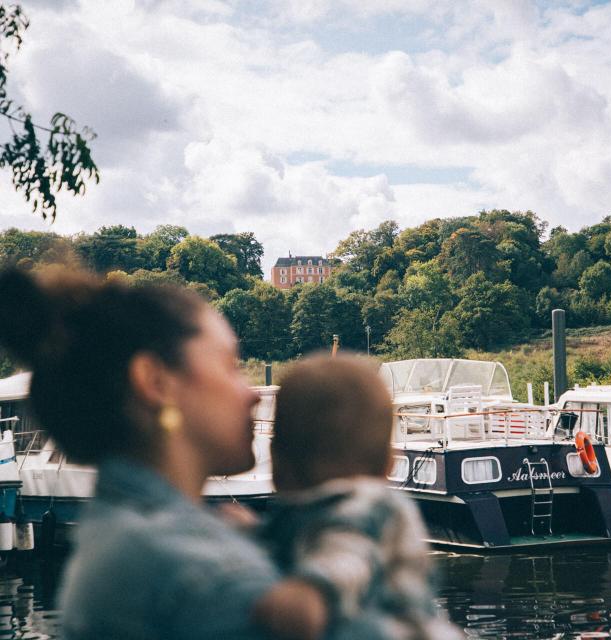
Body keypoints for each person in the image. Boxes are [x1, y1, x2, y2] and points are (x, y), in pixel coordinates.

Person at [0, 268, 367, 640]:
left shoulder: (127, 538)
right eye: (230, 366)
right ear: (156, 382)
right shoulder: (195, 570)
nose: (253, 394)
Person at [253, 354, 463, 640]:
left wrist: (312, 592)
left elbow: (347, 556)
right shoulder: (304, 512)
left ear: (275, 465)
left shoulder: (366, 505)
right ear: (389, 466)